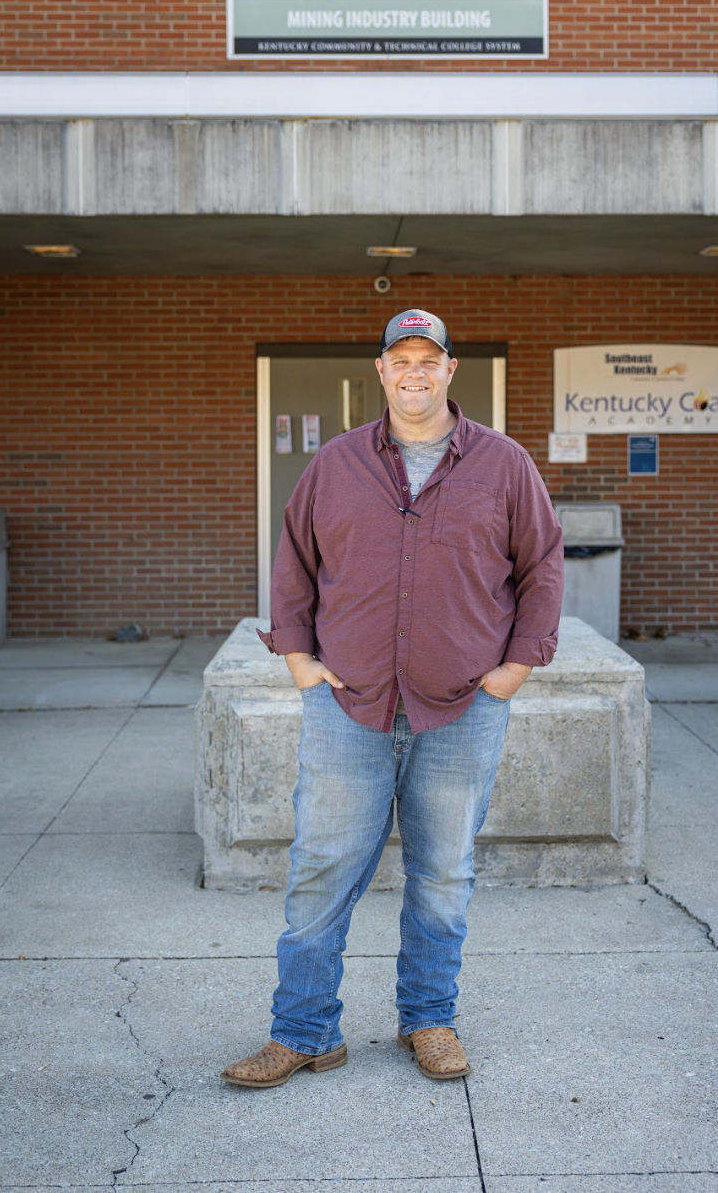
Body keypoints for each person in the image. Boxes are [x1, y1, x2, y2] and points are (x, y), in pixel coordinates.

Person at [220, 309, 564, 1089]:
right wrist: (299, 658)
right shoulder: (335, 465)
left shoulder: (504, 464)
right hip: (349, 705)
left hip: (461, 706)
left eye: (428, 359)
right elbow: (294, 564)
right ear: (381, 370)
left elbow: (541, 567)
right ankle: (304, 1032)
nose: (414, 372)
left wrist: (514, 668)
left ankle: (428, 1018)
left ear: (450, 370)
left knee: (442, 875)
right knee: (320, 870)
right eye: (400, 358)